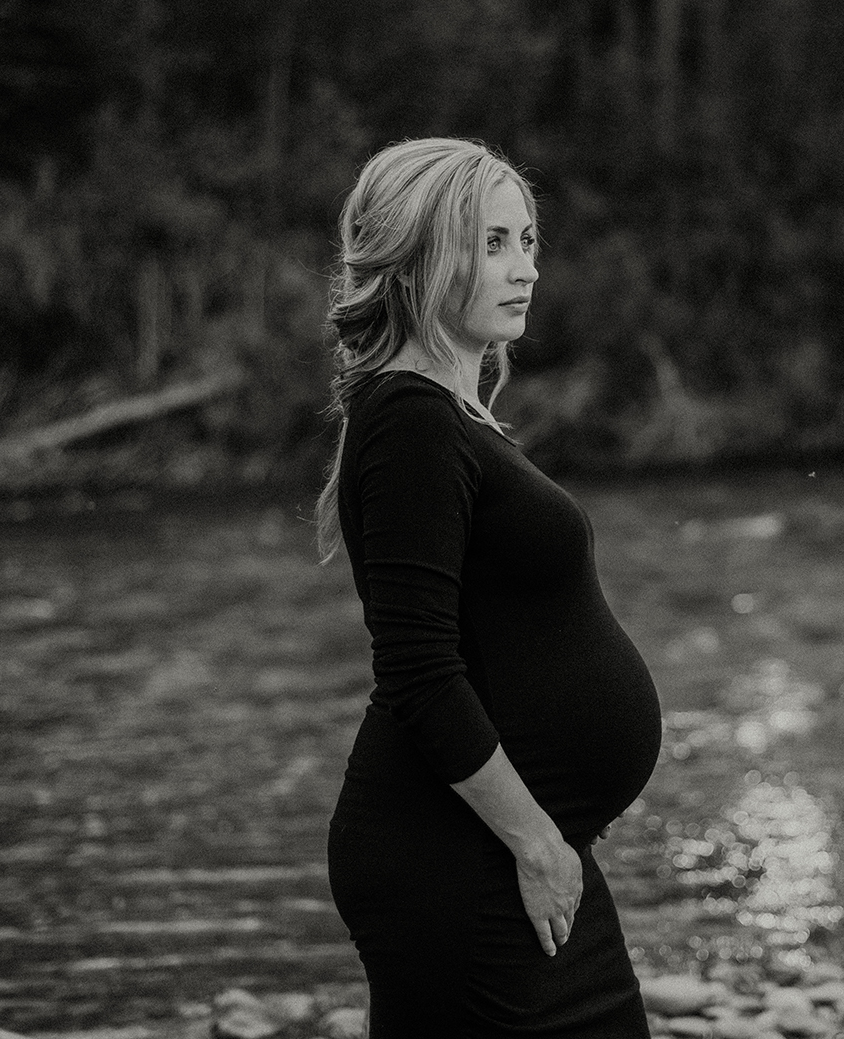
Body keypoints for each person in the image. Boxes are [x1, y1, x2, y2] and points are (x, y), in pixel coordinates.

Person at [317, 138, 663, 1036]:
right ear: (422, 258)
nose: (526, 268)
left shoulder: (444, 416)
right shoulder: (411, 421)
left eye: (528, 241)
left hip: (505, 848)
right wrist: (536, 840)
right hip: (463, 857)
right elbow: (420, 671)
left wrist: (551, 830)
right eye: (494, 244)